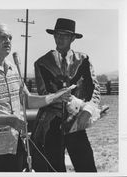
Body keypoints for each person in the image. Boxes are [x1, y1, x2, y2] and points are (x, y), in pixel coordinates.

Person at [0, 23, 72, 172]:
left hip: (15, 147)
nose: (8, 41)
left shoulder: (12, 69)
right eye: (3, 37)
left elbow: (27, 100)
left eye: (10, 37)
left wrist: (55, 97)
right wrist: (8, 120)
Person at [31, 18, 101, 172]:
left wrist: (87, 111)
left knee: (87, 167)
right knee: (54, 169)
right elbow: (43, 93)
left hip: (76, 122)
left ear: (73, 38)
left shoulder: (83, 60)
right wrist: (57, 97)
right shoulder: (41, 63)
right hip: (50, 125)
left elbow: (94, 89)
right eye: (57, 34)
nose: (59, 38)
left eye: (64, 35)